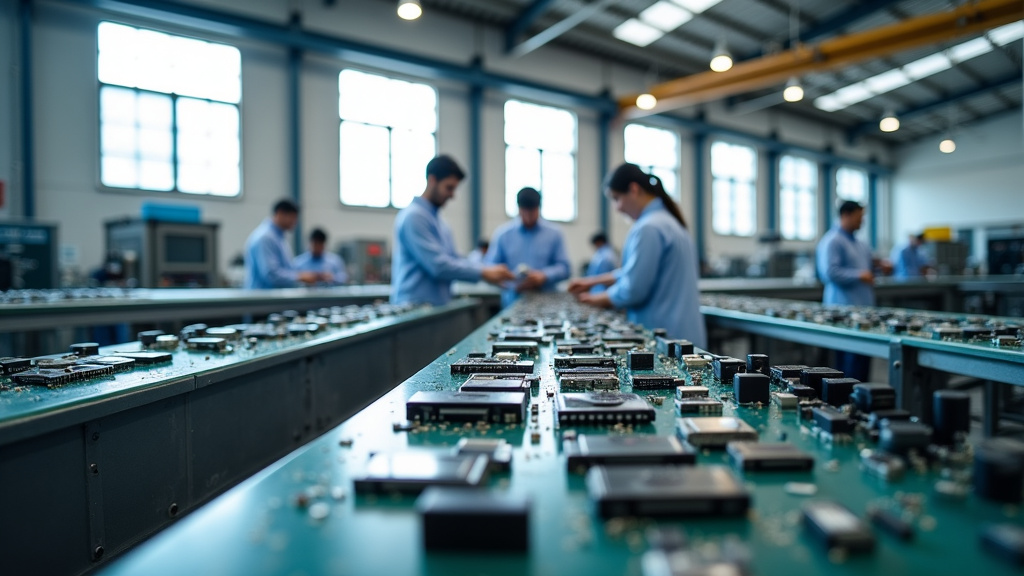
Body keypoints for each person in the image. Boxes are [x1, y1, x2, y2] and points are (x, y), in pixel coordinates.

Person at [568, 163, 706, 348]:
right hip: (684, 337)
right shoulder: (669, 222)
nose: (617, 208)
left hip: (664, 340)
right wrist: (591, 282)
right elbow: (635, 272)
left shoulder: (648, 228)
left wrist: (592, 299)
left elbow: (633, 289)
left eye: (617, 198)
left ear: (634, 189)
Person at [391, 155, 515, 306]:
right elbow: (438, 266)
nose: (452, 195)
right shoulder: (414, 217)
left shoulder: (440, 222)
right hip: (413, 307)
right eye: (449, 187)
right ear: (432, 180)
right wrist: (483, 273)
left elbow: (455, 259)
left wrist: (489, 270)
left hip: (436, 306)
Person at [816, 200, 890, 381]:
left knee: (862, 361)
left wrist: (880, 266)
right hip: (843, 312)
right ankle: (844, 405)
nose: (862, 221)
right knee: (847, 367)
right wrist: (859, 275)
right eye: (859, 217)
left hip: (864, 312)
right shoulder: (832, 241)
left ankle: (860, 401)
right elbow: (829, 273)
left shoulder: (860, 243)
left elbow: (867, 266)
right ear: (845, 215)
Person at [486, 187, 572, 308]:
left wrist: (544, 276)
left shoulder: (554, 234)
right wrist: (511, 281)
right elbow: (490, 268)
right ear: (518, 209)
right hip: (512, 302)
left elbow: (565, 268)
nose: (528, 216)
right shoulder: (503, 235)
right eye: (524, 211)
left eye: (532, 211)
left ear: (539, 208)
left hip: (546, 304)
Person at [244, 200, 326, 289]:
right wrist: (300, 277)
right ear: (280, 213)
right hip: (262, 299)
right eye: (293, 217)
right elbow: (271, 275)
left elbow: (286, 269)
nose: (295, 222)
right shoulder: (266, 238)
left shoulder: (278, 238)